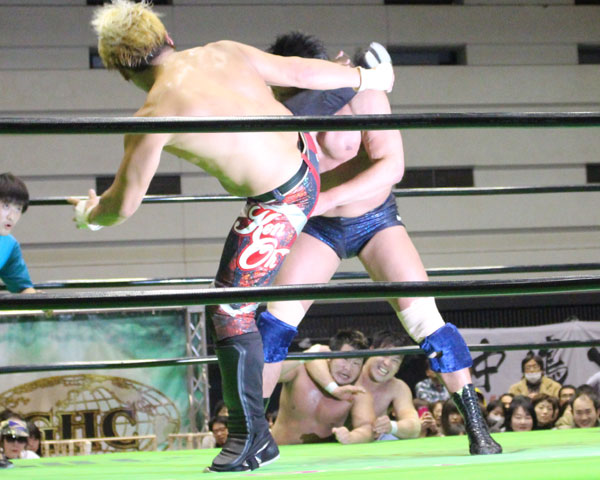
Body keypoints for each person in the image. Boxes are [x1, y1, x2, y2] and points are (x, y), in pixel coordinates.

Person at [77, 2, 393, 473]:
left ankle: (250, 438)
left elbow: (122, 205)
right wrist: (367, 80)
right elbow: (296, 69)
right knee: (282, 102)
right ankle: (354, 77)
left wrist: (89, 215)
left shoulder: (153, 116)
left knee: (230, 310)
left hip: (281, 201)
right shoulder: (222, 51)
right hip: (302, 158)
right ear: (167, 38)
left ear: (121, 71)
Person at [258, 31, 501, 455]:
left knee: (426, 319)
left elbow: (392, 166)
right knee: (273, 325)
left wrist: (326, 198)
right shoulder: (274, 111)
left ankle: (478, 429)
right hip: (318, 228)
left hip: (375, 219)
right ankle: (250, 434)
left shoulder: (363, 90)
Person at [303, 329, 420, 440]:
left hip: (370, 441)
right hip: (327, 438)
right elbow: (313, 356)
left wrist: (392, 426)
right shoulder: (349, 373)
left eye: (395, 360)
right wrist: (332, 388)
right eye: (384, 354)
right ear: (371, 350)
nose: (387, 363)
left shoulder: (398, 387)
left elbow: (414, 426)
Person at [271, 330, 375, 445]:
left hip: (323, 455)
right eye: (344, 358)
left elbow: (367, 429)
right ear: (330, 356)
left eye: (356, 363)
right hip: (279, 450)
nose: (348, 368)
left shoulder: (357, 392)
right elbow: (267, 375)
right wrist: (307, 355)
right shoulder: (300, 371)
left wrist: (351, 437)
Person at [0, 173, 35, 294]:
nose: (12, 217)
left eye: (18, 209)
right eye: (6, 206)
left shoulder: (9, 246)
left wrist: (43, 304)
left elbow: (22, 288)